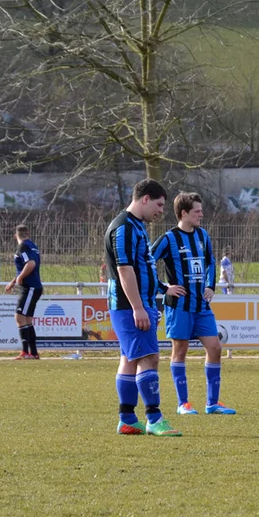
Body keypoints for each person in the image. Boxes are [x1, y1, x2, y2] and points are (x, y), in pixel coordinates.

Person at [104, 178, 182, 437]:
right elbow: (124, 269)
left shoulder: (135, 226)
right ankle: (154, 418)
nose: (161, 211)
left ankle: (127, 419)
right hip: (129, 305)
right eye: (159, 205)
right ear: (145, 198)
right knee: (150, 357)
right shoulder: (124, 227)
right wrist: (138, 307)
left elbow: (142, 268)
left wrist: (161, 290)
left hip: (137, 303)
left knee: (130, 359)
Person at [150, 192, 236, 416]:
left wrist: (210, 286)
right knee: (180, 350)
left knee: (215, 348)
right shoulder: (169, 238)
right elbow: (147, 262)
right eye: (197, 211)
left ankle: (212, 403)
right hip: (179, 306)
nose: (201, 214)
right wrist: (164, 288)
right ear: (184, 213)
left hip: (201, 305)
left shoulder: (202, 235)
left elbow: (210, 262)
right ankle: (183, 403)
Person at [4, 224, 43, 360]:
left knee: (19, 317)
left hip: (30, 287)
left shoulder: (23, 247)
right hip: (34, 286)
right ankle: (34, 353)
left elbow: (30, 264)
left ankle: (25, 352)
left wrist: (20, 278)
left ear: (16, 236)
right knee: (27, 320)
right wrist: (13, 281)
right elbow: (25, 266)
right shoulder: (33, 246)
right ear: (29, 234)